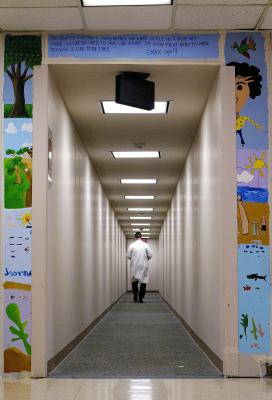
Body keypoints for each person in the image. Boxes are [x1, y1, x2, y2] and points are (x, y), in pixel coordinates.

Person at [226, 61, 263, 146]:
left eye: (239, 87)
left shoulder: (242, 119)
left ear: (250, 90)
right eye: (229, 87)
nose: (233, 93)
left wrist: (257, 126)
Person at [127, 232, 152, 303]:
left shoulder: (132, 245)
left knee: (134, 281)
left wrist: (134, 258)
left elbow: (128, 256)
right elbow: (150, 255)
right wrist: (145, 258)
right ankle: (141, 298)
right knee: (143, 282)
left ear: (135, 237)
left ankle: (135, 295)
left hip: (134, 266)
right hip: (143, 266)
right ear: (141, 237)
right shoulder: (146, 245)